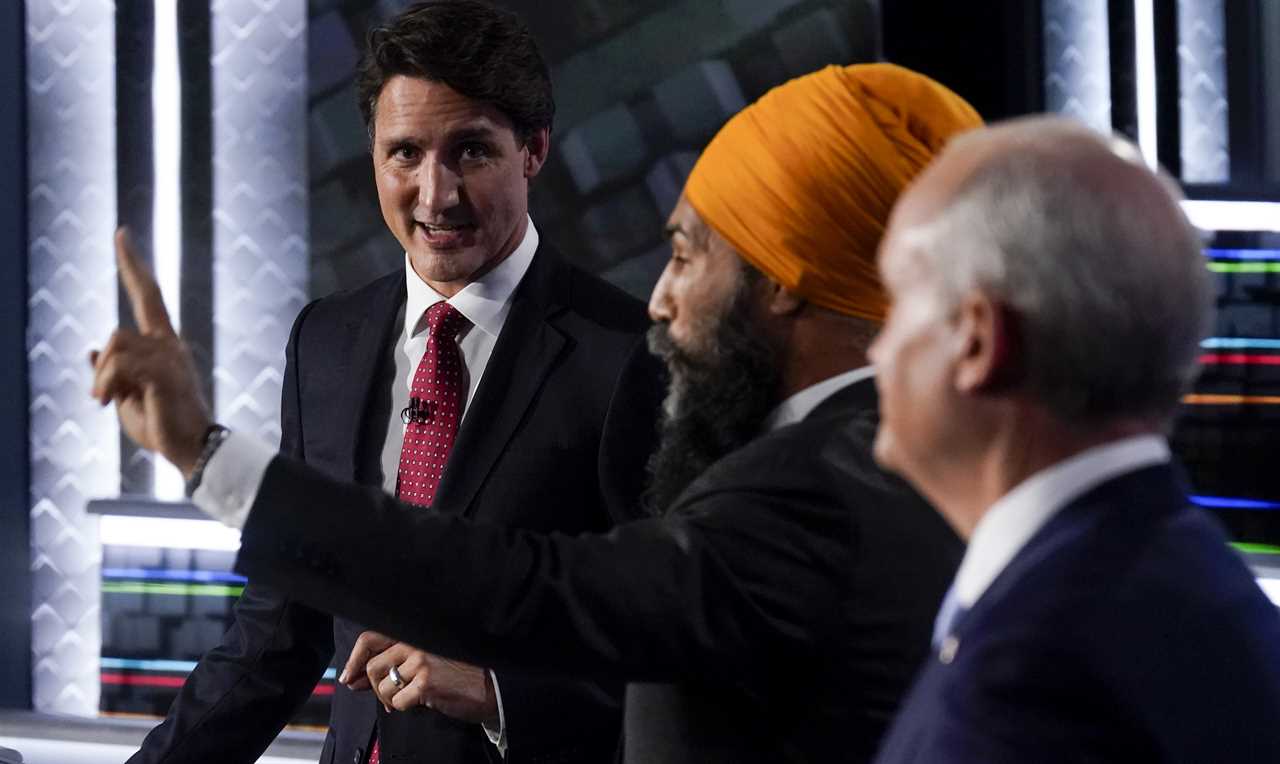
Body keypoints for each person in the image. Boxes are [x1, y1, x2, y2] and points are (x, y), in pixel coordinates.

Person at [93, 63, 980, 762]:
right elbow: (280, 632)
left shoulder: (810, 488)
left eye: (686, 254)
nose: (663, 300)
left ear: (785, 281)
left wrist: (208, 454)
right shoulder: (912, 462)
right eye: (404, 152)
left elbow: (534, 590)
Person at [125, 2, 663, 762]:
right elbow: (280, 629)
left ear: (534, 150)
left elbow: (676, 651)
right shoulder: (326, 340)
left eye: (470, 152)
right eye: (404, 153)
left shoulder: (629, 355)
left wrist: (499, 691)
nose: (435, 195)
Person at [867, 117, 1280, 762]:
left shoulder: (1021, 688)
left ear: (976, 342)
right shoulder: (1194, 583)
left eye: (895, 303)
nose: (877, 348)